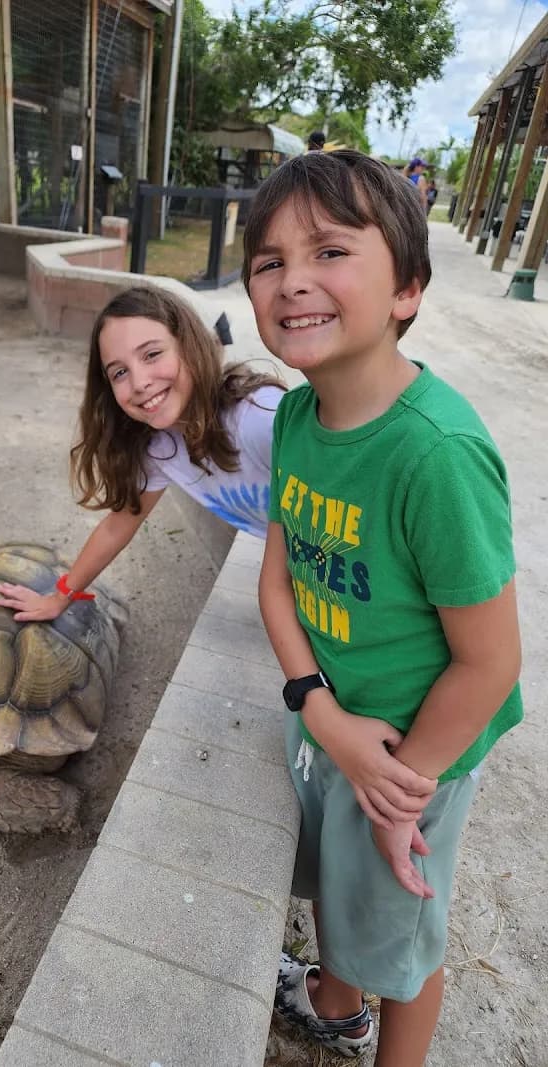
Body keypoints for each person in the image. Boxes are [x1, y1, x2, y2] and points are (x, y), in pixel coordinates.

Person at [242, 150, 522, 1065]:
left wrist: (402, 788)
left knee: (402, 933)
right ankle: (333, 996)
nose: (294, 281)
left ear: (407, 288)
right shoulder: (294, 418)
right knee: (338, 876)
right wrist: (324, 717)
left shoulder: (434, 455)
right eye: (269, 261)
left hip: (414, 752)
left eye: (329, 251)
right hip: (334, 717)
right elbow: (276, 583)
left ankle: (383, 1041)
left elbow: (491, 662)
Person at [0, 286, 286, 622]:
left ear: (189, 346)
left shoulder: (258, 417)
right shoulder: (161, 446)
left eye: (151, 355)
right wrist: (60, 597)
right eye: (119, 372)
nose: (139, 382)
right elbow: (118, 526)